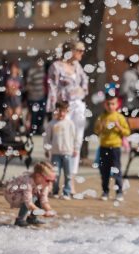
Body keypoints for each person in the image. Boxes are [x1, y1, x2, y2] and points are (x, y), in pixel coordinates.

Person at [46, 40, 89, 194]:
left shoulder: (78, 67)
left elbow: (85, 82)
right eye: (79, 50)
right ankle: (54, 181)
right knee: (61, 142)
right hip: (63, 108)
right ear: (70, 50)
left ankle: (71, 180)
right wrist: (54, 110)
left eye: (83, 50)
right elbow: (52, 89)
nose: (82, 53)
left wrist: (81, 92)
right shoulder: (56, 66)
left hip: (77, 106)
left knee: (76, 141)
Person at [94, 92, 130, 202]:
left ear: (117, 105)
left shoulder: (119, 117)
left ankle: (119, 192)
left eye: (112, 104)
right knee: (104, 171)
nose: (110, 106)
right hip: (103, 147)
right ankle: (105, 191)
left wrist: (119, 127)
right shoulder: (102, 117)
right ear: (105, 105)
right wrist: (101, 127)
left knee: (117, 170)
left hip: (115, 148)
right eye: (108, 104)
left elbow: (127, 132)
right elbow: (96, 131)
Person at [44, 101, 79, 200]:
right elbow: (47, 138)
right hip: (55, 152)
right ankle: (55, 191)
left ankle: (66, 192)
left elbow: (75, 137)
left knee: (68, 174)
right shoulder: (52, 124)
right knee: (56, 174)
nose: (61, 114)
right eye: (59, 111)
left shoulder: (70, 123)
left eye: (63, 111)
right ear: (55, 111)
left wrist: (76, 148)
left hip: (67, 152)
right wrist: (47, 149)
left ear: (67, 111)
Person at [3, 161, 56, 227]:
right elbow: (28, 203)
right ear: (38, 176)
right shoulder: (28, 181)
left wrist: (49, 210)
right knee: (33, 197)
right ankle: (20, 220)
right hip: (12, 194)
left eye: (53, 181)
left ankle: (32, 218)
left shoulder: (45, 184)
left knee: (38, 196)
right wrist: (42, 212)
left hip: (27, 194)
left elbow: (44, 200)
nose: (50, 183)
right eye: (48, 180)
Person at [26, 58, 47, 135]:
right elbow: (28, 84)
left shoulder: (43, 70)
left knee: (42, 113)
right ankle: (33, 130)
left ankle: (39, 129)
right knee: (34, 115)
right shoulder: (32, 71)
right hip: (33, 97)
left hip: (42, 96)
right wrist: (32, 92)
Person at [4, 61, 24, 129]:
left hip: (17, 100)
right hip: (9, 100)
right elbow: (5, 89)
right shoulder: (8, 78)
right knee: (10, 118)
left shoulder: (20, 78)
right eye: (12, 68)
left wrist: (16, 91)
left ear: (17, 69)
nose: (13, 69)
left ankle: (15, 131)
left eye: (14, 68)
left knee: (16, 118)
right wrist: (9, 91)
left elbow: (22, 89)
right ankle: (11, 132)